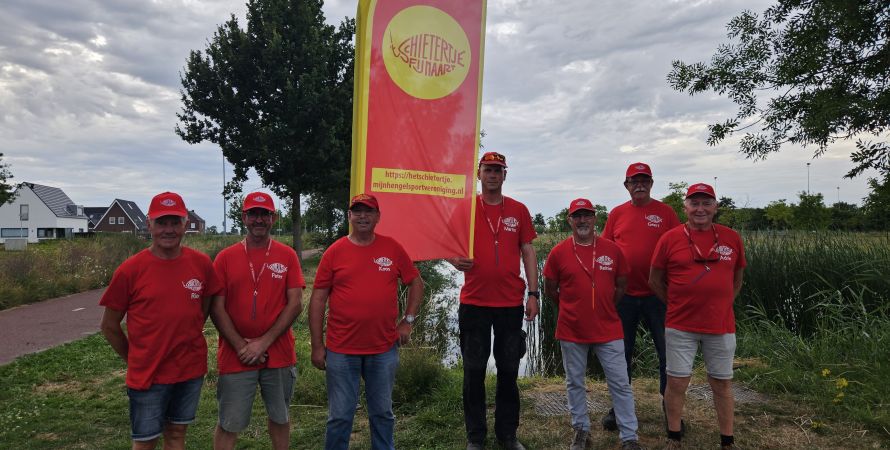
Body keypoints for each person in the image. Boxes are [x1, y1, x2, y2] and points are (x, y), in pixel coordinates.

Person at [99, 191, 221, 450]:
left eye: (175, 222)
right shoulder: (130, 270)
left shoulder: (201, 264)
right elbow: (109, 327)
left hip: (188, 370)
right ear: (149, 224)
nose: (169, 229)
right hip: (149, 374)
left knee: (176, 434)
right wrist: (134, 358)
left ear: (185, 224)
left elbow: (203, 308)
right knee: (145, 441)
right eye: (162, 222)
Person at [308, 193, 423, 450]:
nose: (362, 216)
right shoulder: (334, 252)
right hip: (341, 350)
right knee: (339, 416)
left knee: (382, 414)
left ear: (378, 217)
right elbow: (317, 300)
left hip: (383, 349)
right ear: (349, 216)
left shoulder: (392, 248)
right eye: (357, 211)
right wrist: (317, 345)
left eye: (368, 211)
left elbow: (416, 282)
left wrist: (408, 320)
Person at [448, 151, 539, 450]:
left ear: (504, 175)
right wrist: (452, 259)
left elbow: (527, 251)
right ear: (479, 173)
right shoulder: (465, 209)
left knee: (509, 369)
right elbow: (446, 243)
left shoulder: (518, 210)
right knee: (473, 371)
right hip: (474, 302)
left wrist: (533, 294)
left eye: (498, 170)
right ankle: (476, 437)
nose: (493, 175)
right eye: (488, 169)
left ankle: (507, 435)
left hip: (510, 303)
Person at [649, 183, 746, 450]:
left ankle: (727, 440)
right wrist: (676, 304)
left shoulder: (731, 237)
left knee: (722, 383)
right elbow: (654, 280)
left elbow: (737, 278)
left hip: (721, 324)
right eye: (694, 203)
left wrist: (724, 302)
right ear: (686, 208)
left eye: (706, 203)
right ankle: (674, 436)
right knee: (677, 381)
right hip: (681, 325)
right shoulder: (669, 238)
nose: (700, 209)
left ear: (715, 207)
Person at [543, 198, 643, 450]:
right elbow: (550, 289)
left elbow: (621, 286)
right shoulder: (558, 252)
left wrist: (603, 306)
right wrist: (572, 307)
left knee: (620, 382)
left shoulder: (612, 249)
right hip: (572, 329)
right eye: (577, 216)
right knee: (575, 382)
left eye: (587, 215)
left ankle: (629, 436)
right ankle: (581, 430)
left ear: (595, 218)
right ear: (570, 221)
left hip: (608, 328)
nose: (582, 220)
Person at [210, 191, 305, 450]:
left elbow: (295, 303)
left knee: (280, 417)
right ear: (244, 217)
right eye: (254, 214)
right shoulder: (225, 258)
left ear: (273, 218)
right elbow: (216, 307)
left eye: (265, 214)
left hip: (279, 353)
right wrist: (242, 347)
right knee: (229, 422)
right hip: (234, 355)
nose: (259, 219)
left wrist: (262, 343)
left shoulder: (287, 255)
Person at [601, 162, 681, 430]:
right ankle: (618, 408)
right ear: (626, 185)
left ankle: (671, 409)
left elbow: (678, 249)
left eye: (644, 180)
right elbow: (606, 251)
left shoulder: (666, 213)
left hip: (658, 296)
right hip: (624, 297)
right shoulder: (616, 214)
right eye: (634, 181)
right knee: (619, 354)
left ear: (651, 183)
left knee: (666, 353)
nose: (639, 185)